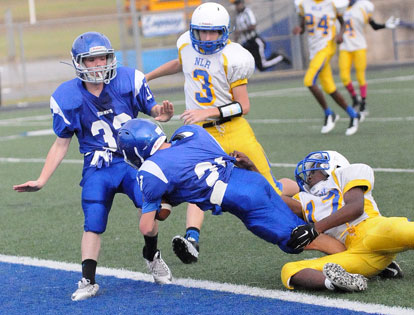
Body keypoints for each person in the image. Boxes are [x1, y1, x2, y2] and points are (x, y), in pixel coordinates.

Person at [12, 31, 174, 301]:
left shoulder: (128, 80)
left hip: (130, 161)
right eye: (92, 60)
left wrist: (161, 114)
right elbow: (61, 143)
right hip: (97, 167)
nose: (99, 65)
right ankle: (88, 279)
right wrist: (41, 180)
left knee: (149, 217)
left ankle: (151, 255)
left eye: (104, 58)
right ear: (79, 63)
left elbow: (153, 108)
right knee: (94, 220)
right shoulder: (67, 97)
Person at [145, 2, 299, 264]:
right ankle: (191, 237)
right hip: (200, 135)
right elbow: (181, 63)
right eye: (202, 32)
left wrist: (208, 112)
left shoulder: (234, 56)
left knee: (271, 189)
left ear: (225, 32)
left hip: (233, 129)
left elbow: (244, 106)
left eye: (214, 32)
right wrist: (147, 77)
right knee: (197, 182)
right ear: (193, 31)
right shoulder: (186, 44)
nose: (207, 38)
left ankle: (304, 194)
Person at [117, 118, 321, 259]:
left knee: (297, 238)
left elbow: (147, 226)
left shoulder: (152, 170)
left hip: (240, 194)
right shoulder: (190, 132)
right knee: (286, 203)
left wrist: (156, 205)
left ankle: (341, 252)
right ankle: (322, 208)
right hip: (237, 168)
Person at [280, 150, 408, 292]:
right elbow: (274, 201)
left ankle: (382, 267)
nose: (308, 176)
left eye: (313, 171)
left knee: (406, 232)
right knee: (289, 270)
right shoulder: (304, 199)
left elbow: (355, 207)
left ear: (334, 165)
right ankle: (338, 283)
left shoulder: (346, 173)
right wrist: (269, 186)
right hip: (355, 252)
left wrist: (316, 228)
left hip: (374, 229)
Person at [293, 0, 361, 136]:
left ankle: (329, 113)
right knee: (329, 87)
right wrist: (300, 29)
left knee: (309, 80)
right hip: (314, 48)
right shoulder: (303, 4)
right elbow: (303, 23)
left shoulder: (332, 4)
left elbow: (343, 23)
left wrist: (340, 35)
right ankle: (353, 115)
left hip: (326, 46)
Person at [339, 0, 400, 118]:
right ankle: (354, 97)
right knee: (344, 77)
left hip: (359, 46)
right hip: (345, 47)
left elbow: (374, 26)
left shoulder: (363, 7)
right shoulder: (339, 8)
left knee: (360, 76)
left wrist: (385, 25)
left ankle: (363, 102)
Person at [232, 0, 291, 71]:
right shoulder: (238, 16)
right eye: (236, 4)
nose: (237, 6)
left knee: (262, 66)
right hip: (246, 43)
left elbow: (253, 26)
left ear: (242, 3)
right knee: (241, 60)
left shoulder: (247, 12)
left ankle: (280, 57)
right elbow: (237, 31)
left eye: (238, 4)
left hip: (254, 41)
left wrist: (240, 31)